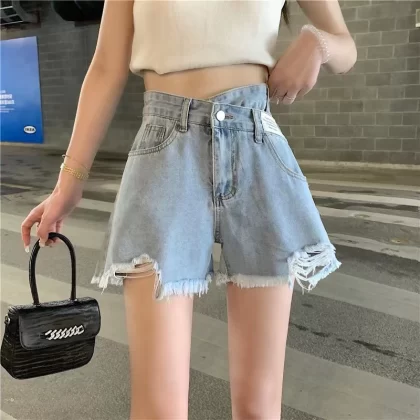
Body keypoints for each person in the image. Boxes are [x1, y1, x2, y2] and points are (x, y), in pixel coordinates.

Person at [22, 0, 356, 418]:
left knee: (259, 408)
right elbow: (106, 67)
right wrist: (67, 185)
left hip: (256, 146)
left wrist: (318, 43)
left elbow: (346, 46)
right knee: (158, 410)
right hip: (165, 153)